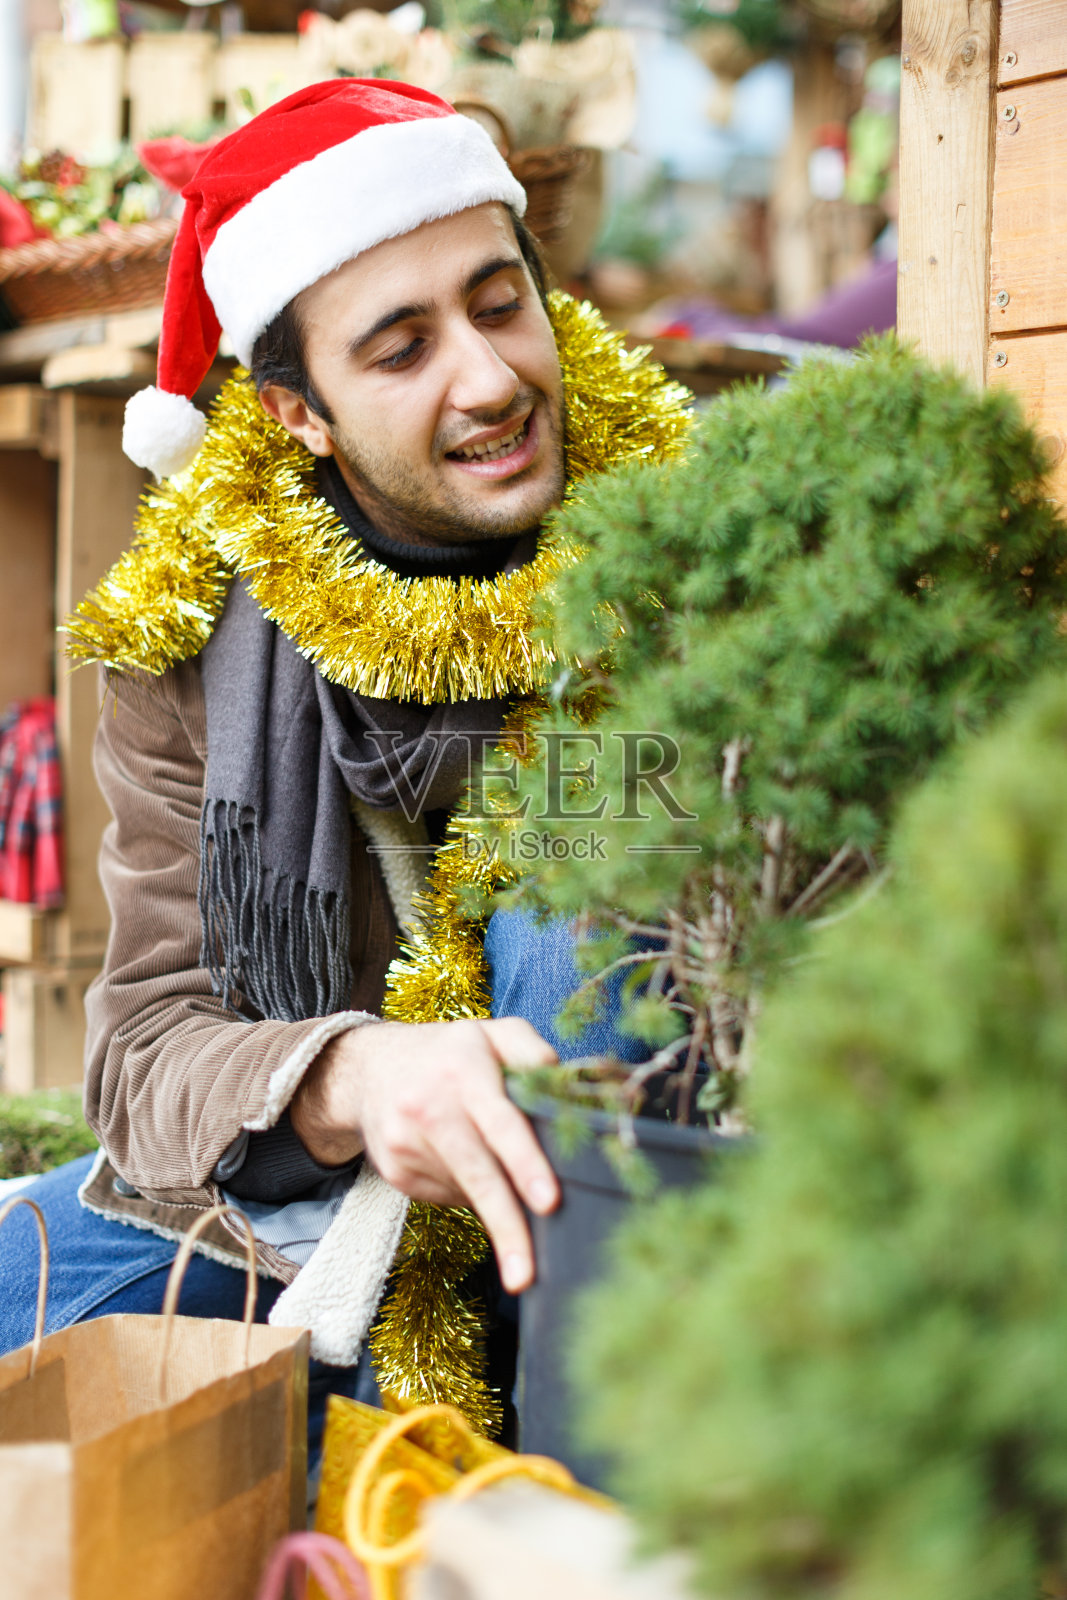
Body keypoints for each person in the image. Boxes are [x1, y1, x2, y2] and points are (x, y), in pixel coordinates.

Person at [0, 79, 685, 1449]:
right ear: (299, 414)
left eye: (499, 304)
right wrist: (353, 1077)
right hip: (303, 1196)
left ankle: (554, 1471)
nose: (489, 379)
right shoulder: (188, 636)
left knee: (577, 878)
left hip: (625, 1184)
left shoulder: (688, 538)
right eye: (401, 348)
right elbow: (145, 1059)